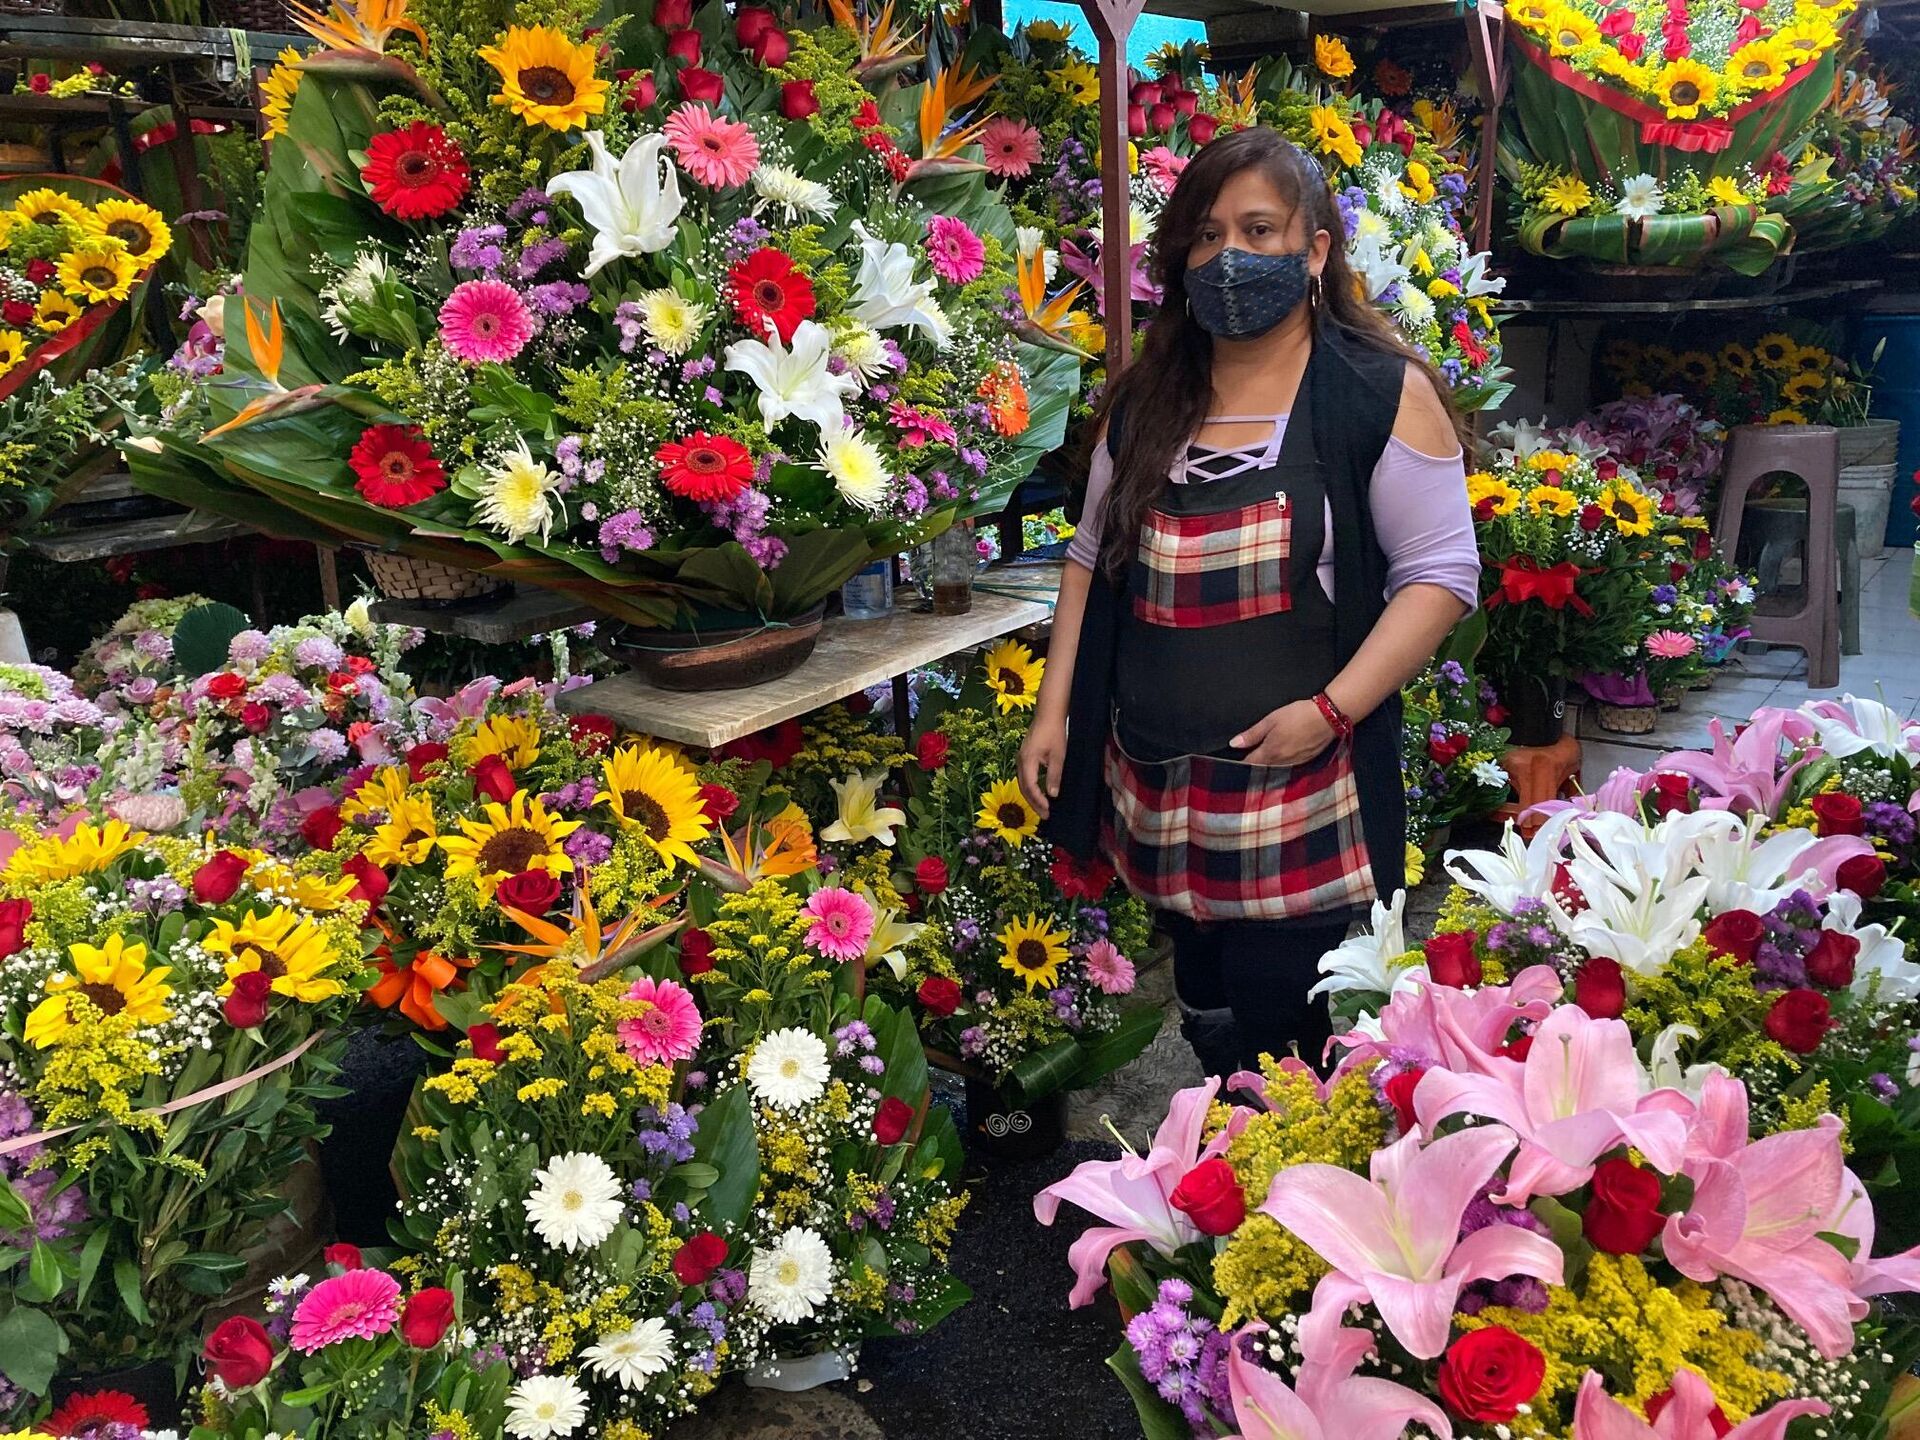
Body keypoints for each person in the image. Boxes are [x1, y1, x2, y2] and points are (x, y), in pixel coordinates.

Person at [1017, 127, 1478, 1080]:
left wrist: (1329, 711)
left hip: (1300, 786)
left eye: (1261, 230)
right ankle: (1221, 1149)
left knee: (1285, 1026)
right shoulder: (1149, 401)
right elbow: (1090, 557)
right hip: (1158, 778)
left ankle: (1278, 1182)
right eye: (1209, 233)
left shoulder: (1374, 397)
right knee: (1204, 993)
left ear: (1314, 251)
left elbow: (1439, 578)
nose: (1232, 257)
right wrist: (1054, 711)